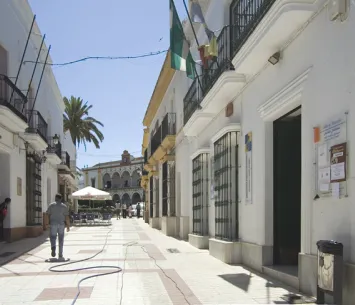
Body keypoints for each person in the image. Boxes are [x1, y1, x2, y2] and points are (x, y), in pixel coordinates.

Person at [44, 194, 70, 259]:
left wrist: (46, 224)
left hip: (53, 224)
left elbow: (47, 215)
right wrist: (68, 226)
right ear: (61, 199)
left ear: (55, 198)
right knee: (61, 239)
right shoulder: (64, 206)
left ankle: (53, 247)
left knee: (53, 237)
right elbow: (66, 217)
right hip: (61, 224)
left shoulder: (51, 205)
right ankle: (60, 254)